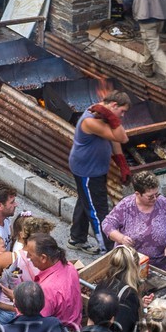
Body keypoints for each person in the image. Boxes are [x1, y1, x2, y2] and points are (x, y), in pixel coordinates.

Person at [68, 92, 130, 253]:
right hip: (88, 171)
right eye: (122, 111)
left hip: (95, 168)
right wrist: (113, 118)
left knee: (85, 200)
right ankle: (107, 249)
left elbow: (114, 139)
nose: (122, 115)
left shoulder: (103, 115)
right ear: (114, 105)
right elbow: (122, 137)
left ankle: (77, 238)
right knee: (97, 210)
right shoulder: (91, 120)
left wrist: (121, 162)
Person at [102, 170, 166, 270]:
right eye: (150, 197)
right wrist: (121, 238)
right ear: (138, 194)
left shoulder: (164, 203)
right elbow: (107, 224)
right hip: (132, 264)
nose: (155, 198)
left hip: (161, 263)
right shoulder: (126, 206)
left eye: (156, 194)